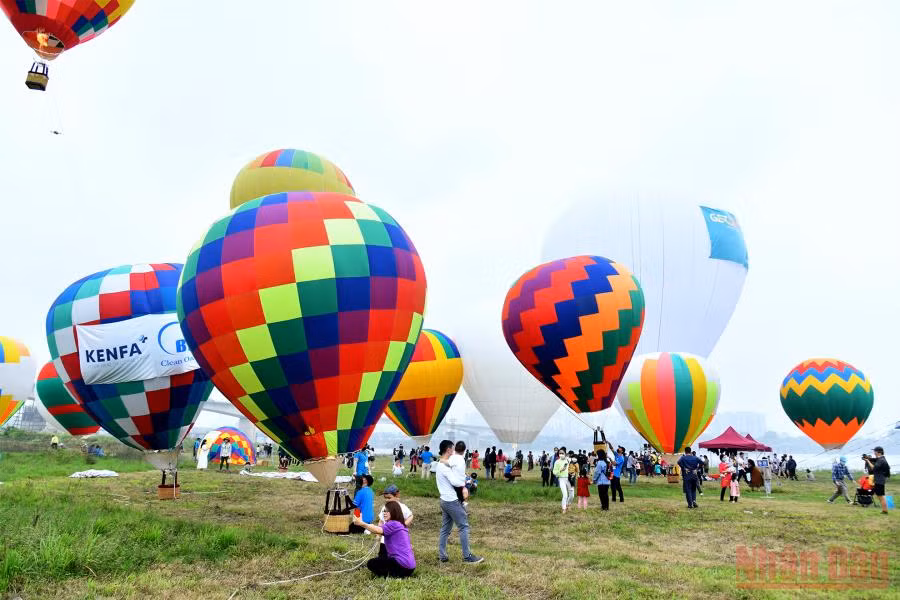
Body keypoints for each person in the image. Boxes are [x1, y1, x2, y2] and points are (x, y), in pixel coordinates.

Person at [435, 440, 483, 564]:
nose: (453, 451)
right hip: (451, 500)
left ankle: (442, 555)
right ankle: (467, 557)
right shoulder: (443, 466)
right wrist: (465, 484)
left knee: (445, 529)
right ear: (449, 450)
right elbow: (455, 482)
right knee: (464, 526)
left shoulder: (441, 464)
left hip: (444, 500)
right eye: (452, 449)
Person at [353, 501, 416, 578]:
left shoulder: (393, 524)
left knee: (372, 563)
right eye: (384, 511)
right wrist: (364, 524)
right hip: (410, 567)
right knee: (382, 559)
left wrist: (361, 523)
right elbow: (378, 529)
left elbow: (377, 530)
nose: (384, 513)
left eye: (387, 511)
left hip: (402, 567)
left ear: (394, 512)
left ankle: (391, 576)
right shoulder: (400, 524)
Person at [376, 485, 413, 557]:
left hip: (397, 539)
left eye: (389, 498)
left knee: (395, 557)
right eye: (385, 498)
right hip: (385, 539)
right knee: (382, 556)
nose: (387, 500)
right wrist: (378, 534)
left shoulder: (402, 507)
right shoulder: (385, 507)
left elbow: (410, 516)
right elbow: (381, 521)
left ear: (396, 496)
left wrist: (403, 525)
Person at [865, 447, 891, 514]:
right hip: (880, 480)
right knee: (879, 495)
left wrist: (868, 461)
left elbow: (873, 468)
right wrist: (868, 458)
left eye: (875, 451)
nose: (874, 453)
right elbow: (874, 459)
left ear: (878, 452)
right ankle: (884, 510)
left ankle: (885, 510)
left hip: (879, 480)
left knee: (880, 496)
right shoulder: (881, 459)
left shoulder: (881, 460)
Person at [553, 448, 572, 513]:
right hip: (561, 479)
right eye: (560, 453)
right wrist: (560, 470)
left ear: (565, 454)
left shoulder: (568, 460)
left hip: (569, 479)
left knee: (571, 495)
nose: (561, 454)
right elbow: (554, 472)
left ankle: (568, 504)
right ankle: (564, 508)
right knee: (565, 494)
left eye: (562, 453)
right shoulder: (557, 462)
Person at [450, 441, 469, 506]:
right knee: (460, 500)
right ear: (463, 451)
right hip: (460, 483)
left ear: (455, 448)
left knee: (454, 499)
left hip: (452, 482)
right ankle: (461, 509)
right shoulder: (462, 459)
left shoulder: (452, 457)